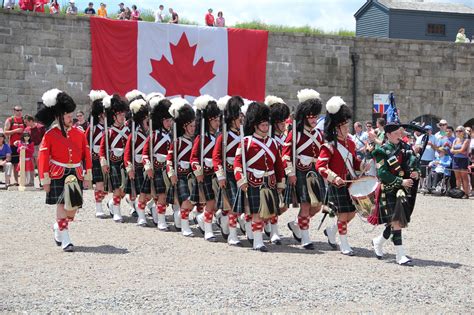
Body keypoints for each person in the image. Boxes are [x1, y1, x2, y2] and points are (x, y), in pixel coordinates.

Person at [36, 88, 92, 252]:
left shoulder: (79, 133)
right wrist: (44, 180)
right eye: (67, 115)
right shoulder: (50, 134)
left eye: (70, 115)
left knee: (72, 209)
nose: (71, 118)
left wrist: (87, 175)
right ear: (59, 117)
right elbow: (43, 157)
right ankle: (66, 239)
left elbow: (85, 155)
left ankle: (58, 226)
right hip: (57, 173)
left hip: (75, 173)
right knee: (61, 205)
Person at [316, 96, 366, 256]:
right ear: (336, 127)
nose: (347, 127)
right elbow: (320, 166)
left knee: (352, 212)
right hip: (337, 184)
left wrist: (363, 165)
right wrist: (333, 177)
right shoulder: (329, 146)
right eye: (344, 125)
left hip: (350, 183)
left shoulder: (350, 143)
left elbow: (354, 162)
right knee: (343, 214)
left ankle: (331, 231)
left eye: (346, 124)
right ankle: (344, 244)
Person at [233, 102, 286, 252]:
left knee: (266, 214)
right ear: (255, 125)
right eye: (262, 125)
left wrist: (281, 183)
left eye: (266, 125)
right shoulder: (246, 142)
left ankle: (254, 232)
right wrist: (241, 179)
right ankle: (258, 241)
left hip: (270, 182)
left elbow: (279, 166)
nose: (265, 127)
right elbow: (237, 163)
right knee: (256, 213)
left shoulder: (273, 143)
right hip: (252, 181)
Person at [371, 123, 420, 266]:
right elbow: (382, 173)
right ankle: (400, 255)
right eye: (397, 133)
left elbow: (414, 163)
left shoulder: (406, 148)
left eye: (400, 132)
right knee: (397, 221)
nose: (400, 135)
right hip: (389, 189)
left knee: (396, 221)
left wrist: (416, 171)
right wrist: (400, 181)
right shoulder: (381, 151)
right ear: (388, 134)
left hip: (403, 189)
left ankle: (378, 241)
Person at [283, 89, 325, 250]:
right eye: (311, 116)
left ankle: (296, 224)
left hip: (315, 172)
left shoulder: (319, 134)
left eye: (316, 116)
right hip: (301, 171)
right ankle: (305, 238)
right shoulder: (295, 134)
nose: (314, 119)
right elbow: (286, 155)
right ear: (305, 117)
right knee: (306, 205)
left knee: (317, 206)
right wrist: (291, 173)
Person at [213, 95, 244, 246]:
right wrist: (220, 175)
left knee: (240, 207)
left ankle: (223, 217)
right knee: (233, 207)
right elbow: (216, 157)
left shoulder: (245, 134)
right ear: (233, 118)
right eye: (239, 116)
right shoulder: (224, 136)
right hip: (229, 174)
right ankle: (232, 234)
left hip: (242, 175)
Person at [190, 95, 221, 242]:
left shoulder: (220, 136)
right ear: (208, 121)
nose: (217, 123)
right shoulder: (201, 138)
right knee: (210, 202)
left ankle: (203, 218)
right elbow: (193, 158)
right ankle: (208, 230)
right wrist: (198, 172)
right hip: (206, 174)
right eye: (214, 120)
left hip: (217, 174)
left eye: (218, 120)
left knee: (216, 204)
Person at [141, 93, 173, 230]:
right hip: (154, 168)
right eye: (166, 120)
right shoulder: (154, 136)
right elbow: (145, 153)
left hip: (165, 169)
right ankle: (141, 215)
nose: (169, 122)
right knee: (145, 196)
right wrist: (148, 167)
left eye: (170, 120)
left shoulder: (173, 135)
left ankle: (161, 221)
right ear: (161, 120)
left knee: (162, 196)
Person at [167, 98, 196, 237]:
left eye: (194, 126)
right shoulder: (177, 142)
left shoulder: (196, 141)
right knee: (186, 201)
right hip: (180, 176)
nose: (193, 129)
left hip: (192, 175)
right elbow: (170, 159)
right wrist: (171, 173)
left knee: (194, 202)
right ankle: (185, 227)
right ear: (184, 127)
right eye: (190, 126)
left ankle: (180, 216)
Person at [99, 94, 130, 223]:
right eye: (120, 115)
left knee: (124, 190)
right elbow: (102, 149)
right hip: (114, 162)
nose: (123, 117)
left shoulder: (128, 131)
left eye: (123, 115)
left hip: (126, 163)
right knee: (117, 188)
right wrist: (104, 163)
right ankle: (117, 212)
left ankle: (112, 203)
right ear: (114, 117)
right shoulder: (109, 132)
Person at [265, 95, 290, 245]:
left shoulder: (285, 136)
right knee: (273, 203)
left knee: (284, 205)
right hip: (270, 173)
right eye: (280, 122)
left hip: (283, 173)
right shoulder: (268, 137)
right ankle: (274, 231)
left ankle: (269, 221)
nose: (283, 124)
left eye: (284, 121)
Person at [124, 94, 149, 225]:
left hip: (147, 167)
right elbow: (127, 153)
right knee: (138, 194)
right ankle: (141, 216)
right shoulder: (133, 134)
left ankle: (139, 207)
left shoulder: (152, 134)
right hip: (136, 166)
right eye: (145, 118)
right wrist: (129, 168)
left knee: (148, 194)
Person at [84, 90, 108, 218]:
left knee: (107, 186)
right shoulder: (92, 128)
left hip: (107, 158)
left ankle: (108, 203)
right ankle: (98, 207)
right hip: (95, 157)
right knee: (99, 183)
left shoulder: (109, 127)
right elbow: (86, 143)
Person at [4, 105, 26, 185]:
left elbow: (29, 130)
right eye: (17, 110)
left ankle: (24, 180)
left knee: (24, 162)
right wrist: (16, 130)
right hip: (13, 145)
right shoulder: (10, 120)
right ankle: (16, 180)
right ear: (14, 111)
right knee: (15, 163)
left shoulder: (24, 120)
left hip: (24, 145)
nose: (19, 112)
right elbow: (5, 132)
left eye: (20, 110)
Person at [451, 126, 471, 198]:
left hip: (463, 160)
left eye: (460, 131)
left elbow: (462, 150)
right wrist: (458, 152)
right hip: (456, 159)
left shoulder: (466, 140)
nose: (458, 132)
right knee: (457, 178)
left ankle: (466, 193)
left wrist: (456, 151)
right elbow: (451, 150)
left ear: (463, 132)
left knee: (464, 178)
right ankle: (458, 193)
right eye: (457, 131)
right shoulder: (455, 140)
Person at [417, 125, 436, 190]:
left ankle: (428, 186)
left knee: (430, 174)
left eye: (428, 130)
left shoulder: (434, 138)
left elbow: (437, 148)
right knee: (422, 174)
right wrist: (423, 144)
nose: (427, 131)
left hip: (431, 158)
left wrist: (431, 144)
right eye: (425, 130)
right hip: (422, 158)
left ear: (431, 131)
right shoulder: (421, 137)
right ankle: (422, 186)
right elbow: (417, 146)